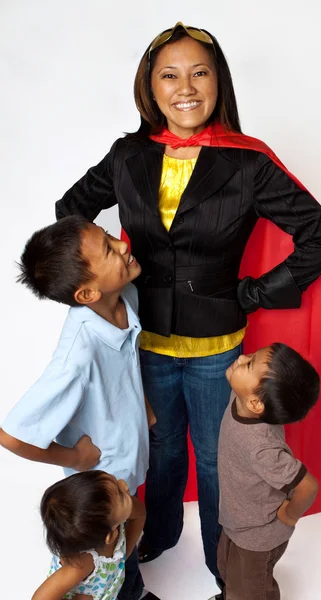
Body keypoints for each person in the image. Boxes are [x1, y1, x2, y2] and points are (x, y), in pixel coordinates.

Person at [54, 21, 321, 594]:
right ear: (150, 87)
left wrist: (253, 292)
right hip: (146, 344)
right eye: (169, 74)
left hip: (219, 349)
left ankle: (221, 555)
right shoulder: (128, 155)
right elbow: (71, 211)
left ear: (219, 83)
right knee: (159, 447)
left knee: (219, 462)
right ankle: (158, 534)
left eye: (199, 72)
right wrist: (105, 288)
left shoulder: (248, 163)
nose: (185, 86)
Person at [0, 216, 159, 600]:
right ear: (86, 294)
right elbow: (10, 436)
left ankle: (131, 587)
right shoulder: (77, 355)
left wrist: (144, 406)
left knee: (122, 547)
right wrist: (73, 455)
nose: (121, 245)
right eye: (108, 248)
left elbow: (126, 361)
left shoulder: (126, 297)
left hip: (129, 456)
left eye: (108, 237)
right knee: (111, 543)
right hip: (105, 482)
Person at [217, 343, 320, 600]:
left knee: (252, 591)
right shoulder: (241, 397)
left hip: (258, 534)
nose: (241, 357)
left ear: (255, 402)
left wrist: (289, 515)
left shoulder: (262, 447)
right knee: (227, 568)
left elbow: (307, 486)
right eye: (250, 357)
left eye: (249, 364)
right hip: (236, 519)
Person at [32, 471, 146, 600]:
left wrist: (124, 555)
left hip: (113, 586)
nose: (124, 485)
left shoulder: (111, 512)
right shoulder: (82, 563)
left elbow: (139, 515)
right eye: (121, 494)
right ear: (110, 536)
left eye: (115, 480)